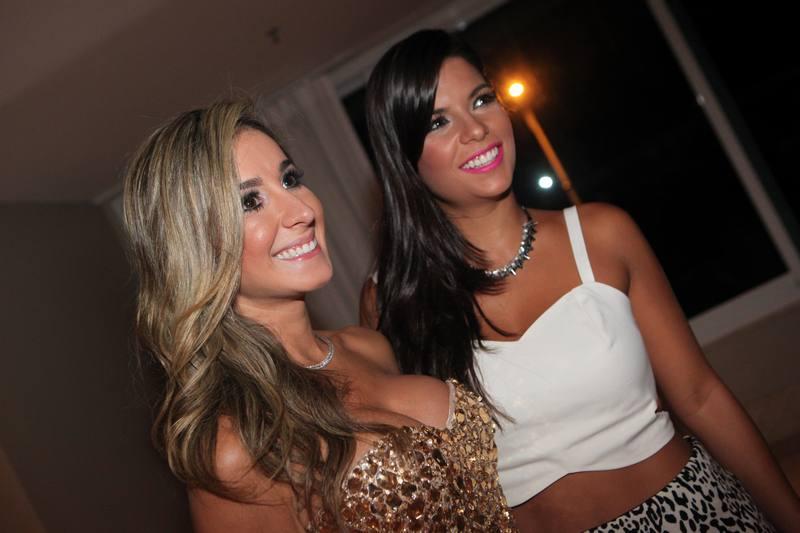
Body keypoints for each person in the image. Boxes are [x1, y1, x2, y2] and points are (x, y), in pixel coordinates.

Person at [360, 29, 800, 532]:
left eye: (481, 100)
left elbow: (700, 396)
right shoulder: (390, 302)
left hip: (698, 514)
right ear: (405, 158)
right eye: (439, 121)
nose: (477, 129)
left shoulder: (602, 234)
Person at [122, 100, 516, 531]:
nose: (303, 211)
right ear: (196, 249)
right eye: (250, 202)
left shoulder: (368, 345)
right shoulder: (238, 448)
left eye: (290, 180)